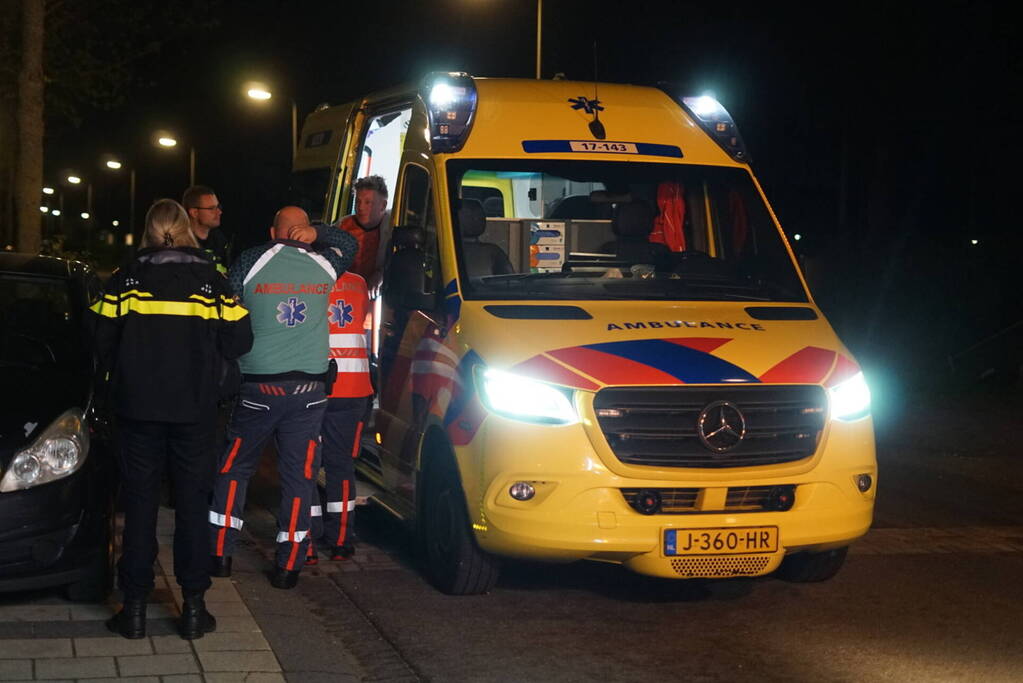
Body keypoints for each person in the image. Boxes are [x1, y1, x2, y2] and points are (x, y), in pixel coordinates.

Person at [89, 199, 253, 640]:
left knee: (139, 507)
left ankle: (135, 610)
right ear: (184, 229)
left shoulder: (125, 280)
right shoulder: (211, 280)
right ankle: (194, 610)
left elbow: (100, 340)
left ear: (148, 230)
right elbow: (240, 340)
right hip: (195, 414)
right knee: (192, 507)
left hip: (136, 412)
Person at [208, 206, 355, 590]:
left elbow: (228, 305)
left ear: (273, 230)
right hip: (309, 392)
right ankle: (289, 566)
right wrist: (317, 232)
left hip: (258, 387)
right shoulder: (325, 265)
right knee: (300, 476)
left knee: (235, 468)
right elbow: (349, 243)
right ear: (303, 230)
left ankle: (219, 553)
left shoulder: (251, 260)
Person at [307, 268, 372, 564]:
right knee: (341, 464)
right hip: (355, 386)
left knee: (306, 463)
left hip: (315, 384)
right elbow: (366, 326)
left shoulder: (306, 278)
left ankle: (307, 537)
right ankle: (342, 540)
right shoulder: (358, 283)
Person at [334, 175, 391, 284]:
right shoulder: (342, 225)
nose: (360, 207)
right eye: (358, 201)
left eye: (368, 202)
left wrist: (381, 274)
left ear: (383, 206)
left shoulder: (392, 229)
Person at [182, 185, 230, 275]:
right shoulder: (180, 244)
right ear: (194, 213)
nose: (219, 212)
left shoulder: (220, 240)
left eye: (218, 206)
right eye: (212, 208)